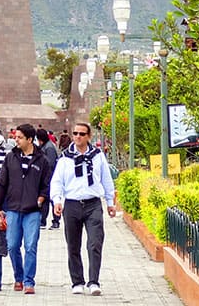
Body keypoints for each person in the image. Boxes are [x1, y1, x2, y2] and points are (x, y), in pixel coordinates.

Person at [50, 122, 117, 296]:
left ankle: (94, 281)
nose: (78, 136)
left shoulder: (97, 156)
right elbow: (57, 181)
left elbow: (106, 179)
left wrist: (110, 202)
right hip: (71, 204)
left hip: (92, 203)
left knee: (95, 243)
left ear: (88, 136)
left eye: (81, 134)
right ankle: (77, 281)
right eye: (75, 133)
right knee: (73, 245)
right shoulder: (65, 157)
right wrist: (57, 200)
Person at [0, 123, 52, 295]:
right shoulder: (11, 158)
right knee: (12, 245)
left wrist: (41, 199)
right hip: (12, 209)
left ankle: (28, 281)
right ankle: (18, 277)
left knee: (31, 246)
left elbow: (46, 184)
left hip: (32, 210)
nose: (15, 140)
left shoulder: (42, 160)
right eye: (15, 137)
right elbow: (2, 183)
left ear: (29, 139)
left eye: (19, 137)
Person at [35, 128, 59, 230]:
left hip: (50, 178)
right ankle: (43, 221)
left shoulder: (49, 148)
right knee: (44, 200)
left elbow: (51, 163)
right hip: (45, 178)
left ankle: (56, 221)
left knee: (53, 200)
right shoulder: (44, 146)